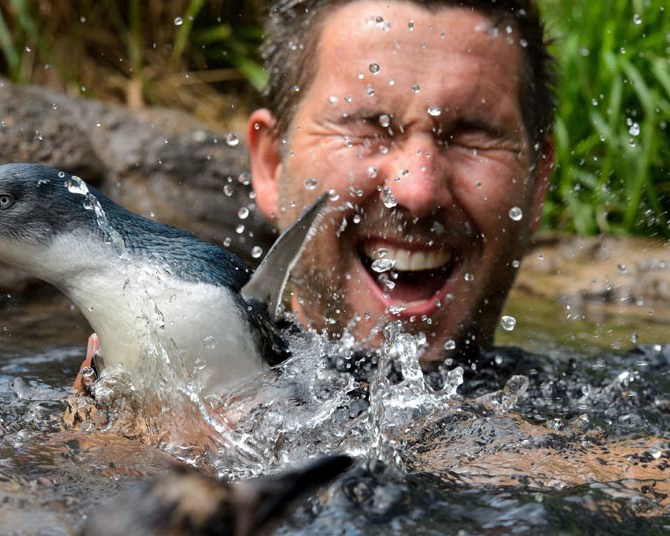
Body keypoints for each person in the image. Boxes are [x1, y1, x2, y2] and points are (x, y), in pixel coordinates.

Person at [76, 0, 556, 391]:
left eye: (471, 137)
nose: (418, 190)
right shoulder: (145, 390)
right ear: (271, 164)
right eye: (368, 130)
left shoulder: (602, 415)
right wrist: (116, 455)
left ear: (537, 183)